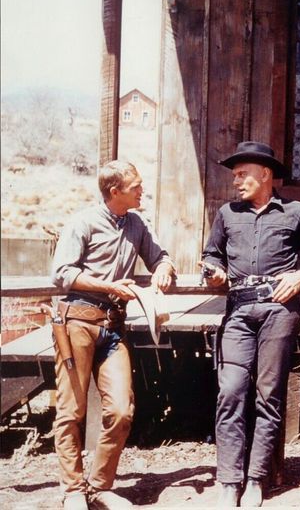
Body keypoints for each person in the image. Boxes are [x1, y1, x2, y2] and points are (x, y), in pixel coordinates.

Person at [200, 141, 300, 507]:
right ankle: (228, 480)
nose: (237, 181)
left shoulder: (297, 212)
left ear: (265, 174)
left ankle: (256, 479)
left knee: (269, 396)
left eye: (243, 174)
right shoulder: (227, 213)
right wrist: (214, 270)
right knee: (231, 391)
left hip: (279, 311)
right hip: (238, 312)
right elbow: (212, 254)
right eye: (235, 174)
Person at [51, 161, 176, 510]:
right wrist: (108, 286)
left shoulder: (135, 224)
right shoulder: (83, 222)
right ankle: (74, 491)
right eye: (135, 185)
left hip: (113, 329)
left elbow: (160, 256)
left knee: (122, 409)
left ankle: (100, 486)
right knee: (71, 410)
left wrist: (164, 269)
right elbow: (61, 273)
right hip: (76, 321)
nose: (141, 190)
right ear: (114, 191)